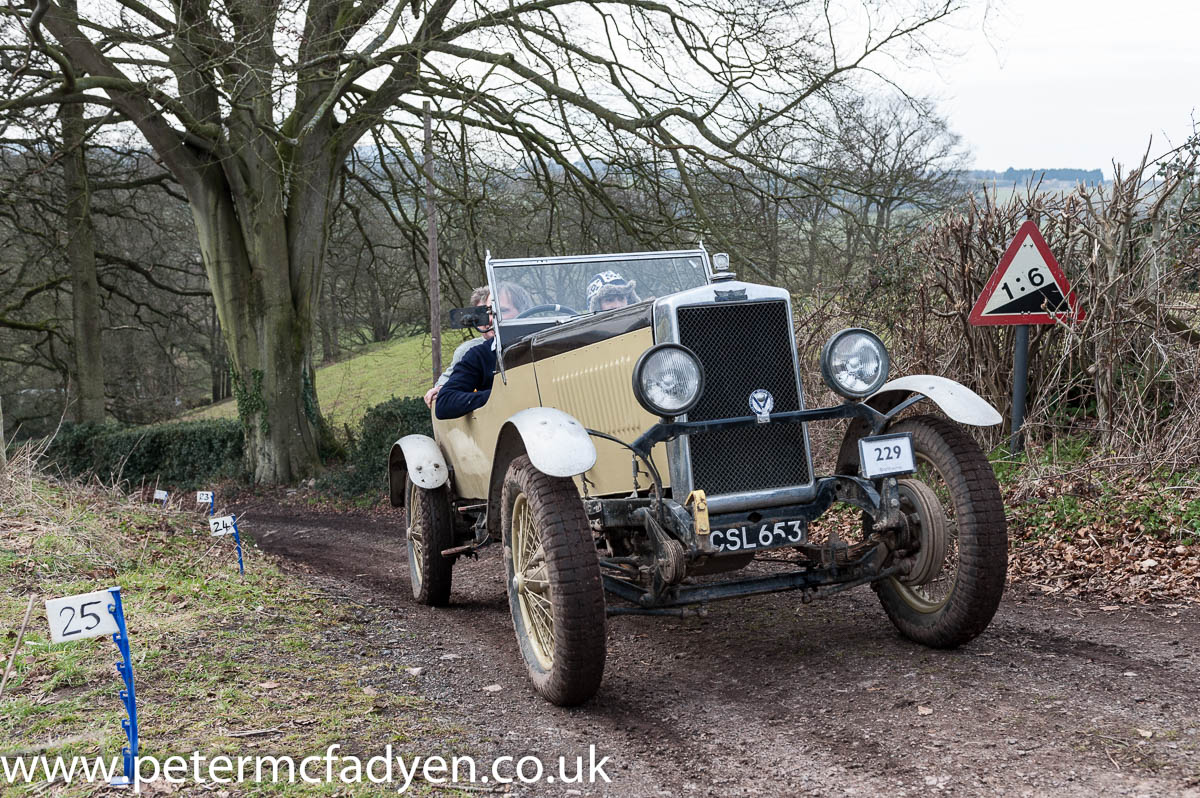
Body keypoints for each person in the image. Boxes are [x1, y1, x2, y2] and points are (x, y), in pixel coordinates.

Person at [433, 283, 531, 420]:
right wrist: (498, 395)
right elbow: (445, 402)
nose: (491, 319)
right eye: (489, 312)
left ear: (524, 312)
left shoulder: (549, 344)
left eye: (502, 310)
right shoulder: (478, 354)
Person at [424, 286, 490, 408]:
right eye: (481, 316)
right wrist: (440, 388)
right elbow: (451, 377)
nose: (488, 321)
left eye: (491, 313)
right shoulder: (468, 351)